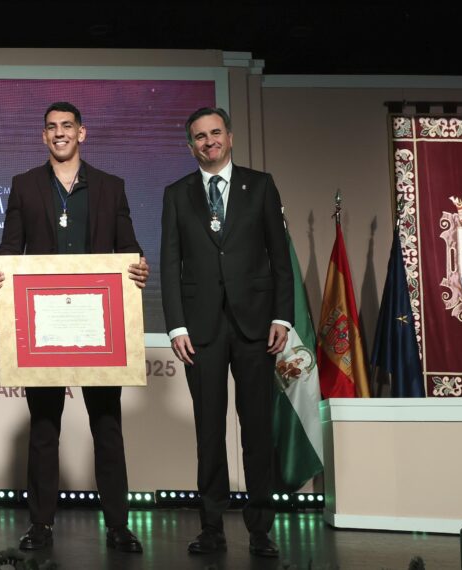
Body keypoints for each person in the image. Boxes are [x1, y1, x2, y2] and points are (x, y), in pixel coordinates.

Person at [0, 102, 149, 553]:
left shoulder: (111, 187)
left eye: (67, 127)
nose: (59, 134)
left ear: (82, 132)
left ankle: (118, 525)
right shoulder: (24, 186)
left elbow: (129, 247)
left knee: (107, 427)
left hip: (99, 325)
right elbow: (8, 248)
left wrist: (139, 266)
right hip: (44, 328)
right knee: (43, 429)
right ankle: (41, 525)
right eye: (51, 128)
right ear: (43, 137)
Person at [160, 107, 292, 558]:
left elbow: (281, 257)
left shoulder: (261, 185)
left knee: (256, 431)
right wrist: (175, 323)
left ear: (230, 137)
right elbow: (169, 264)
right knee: (209, 432)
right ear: (190, 144)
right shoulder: (176, 194)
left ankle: (260, 530)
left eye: (216, 133)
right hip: (201, 330)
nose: (209, 141)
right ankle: (212, 527)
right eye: (199, 136)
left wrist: (283, 316)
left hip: (257, 326)